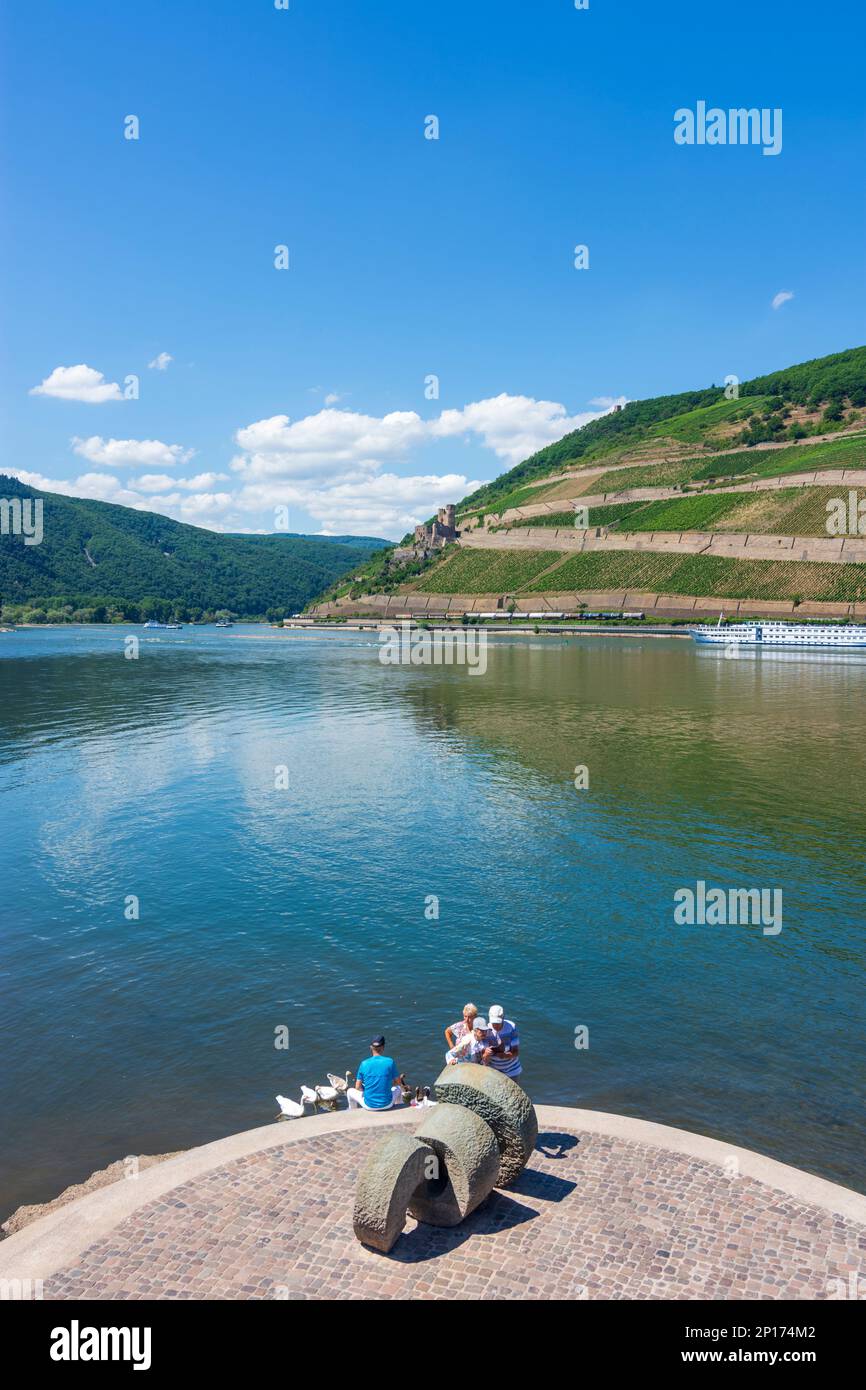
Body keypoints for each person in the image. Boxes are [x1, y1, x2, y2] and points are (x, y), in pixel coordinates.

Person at [347, 1035, 400, 1110]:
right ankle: (399, 1107)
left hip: (369, 1105)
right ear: (383, 1047)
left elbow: (357, 1087)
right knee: (398, 1088)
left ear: (371, 1047)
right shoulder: (390, 1062)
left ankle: (353, 1111)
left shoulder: (364, 1063)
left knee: (349, 1091)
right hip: (388, 1104)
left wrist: (366, 1092)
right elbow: (398, 1082)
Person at [485, 1005, 521, 1078]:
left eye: (498, 1023)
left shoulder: (511, 1027)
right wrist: (486, 1053)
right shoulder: (486, 1030)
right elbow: (484, 1058)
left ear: (503, 1018)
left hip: (512, 1070)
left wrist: (505, 1056)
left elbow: (516, 1052)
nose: (496, 1026)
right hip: (494, 1072)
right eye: (493, 1023)